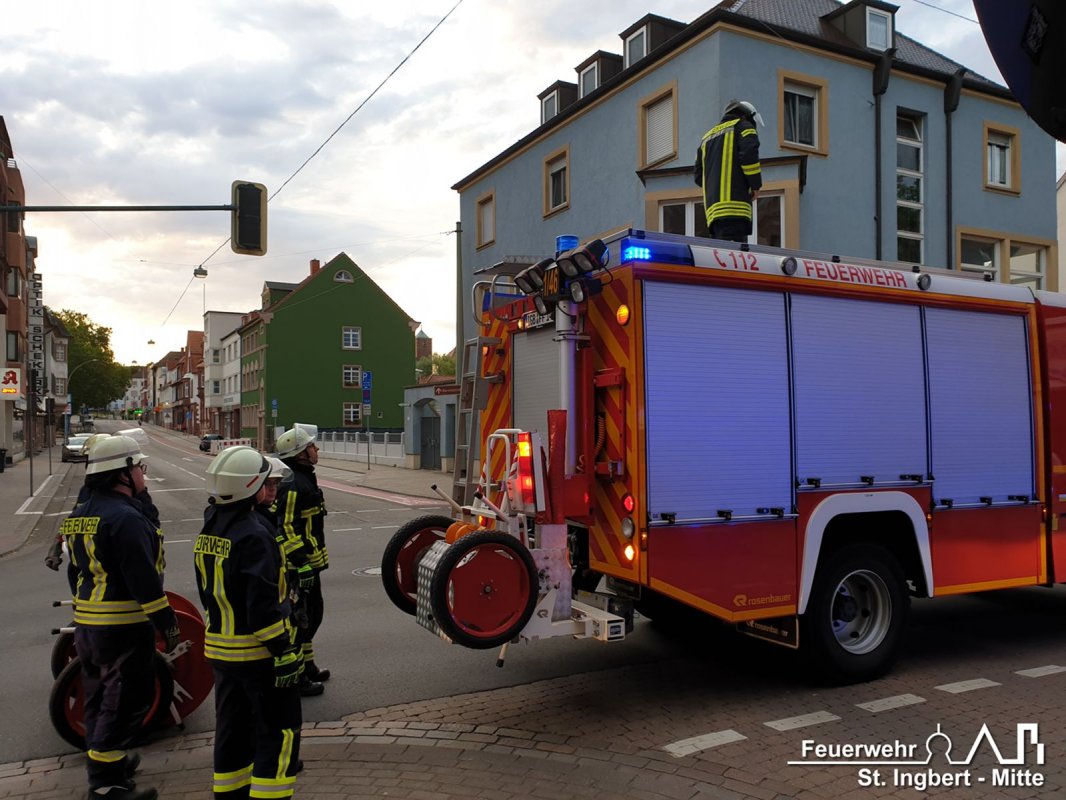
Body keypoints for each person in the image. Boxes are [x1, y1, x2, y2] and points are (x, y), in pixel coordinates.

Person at [60, 435, 179, 800]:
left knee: (98, 695)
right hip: (123, 626)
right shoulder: (125, 519)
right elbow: (142, 578)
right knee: (127, 699)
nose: (143, 473)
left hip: (90, 626)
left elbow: (75, 572)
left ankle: (107, 766)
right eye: (138, 467)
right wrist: (166, 622)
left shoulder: (80, 514)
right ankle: (107, 787)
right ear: (122, 473)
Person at [194, 446, 303, 800]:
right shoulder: (255, 534)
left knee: (233, 732)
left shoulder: (211, 525)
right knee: (279, 732)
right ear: (251, 485)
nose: (271, 489)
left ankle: (230, 794)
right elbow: (262, 605)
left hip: (223, 653)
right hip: (258, 655)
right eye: (265, 482)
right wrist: (282, 650)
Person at [274, 424, 330, 695]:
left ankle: (308, 665)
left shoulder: (305, 477)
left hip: (310, 564)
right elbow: (285, 526)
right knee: (299, 621)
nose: (316, 449)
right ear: (300, 454)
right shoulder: (294, 483)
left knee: (311, 616)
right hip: (299, 567)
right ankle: (297, 679)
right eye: (311, 446)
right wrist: (301, 561)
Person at [694, 99, 763, 243]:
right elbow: (749, 157)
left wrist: (716, 187)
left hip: (713, 214)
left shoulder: (706, 139)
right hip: (736, 209)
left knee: (722, 256)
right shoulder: (744, 127)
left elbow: (699, 177)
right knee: (736, 258)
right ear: (745, 116)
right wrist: (755, 186)